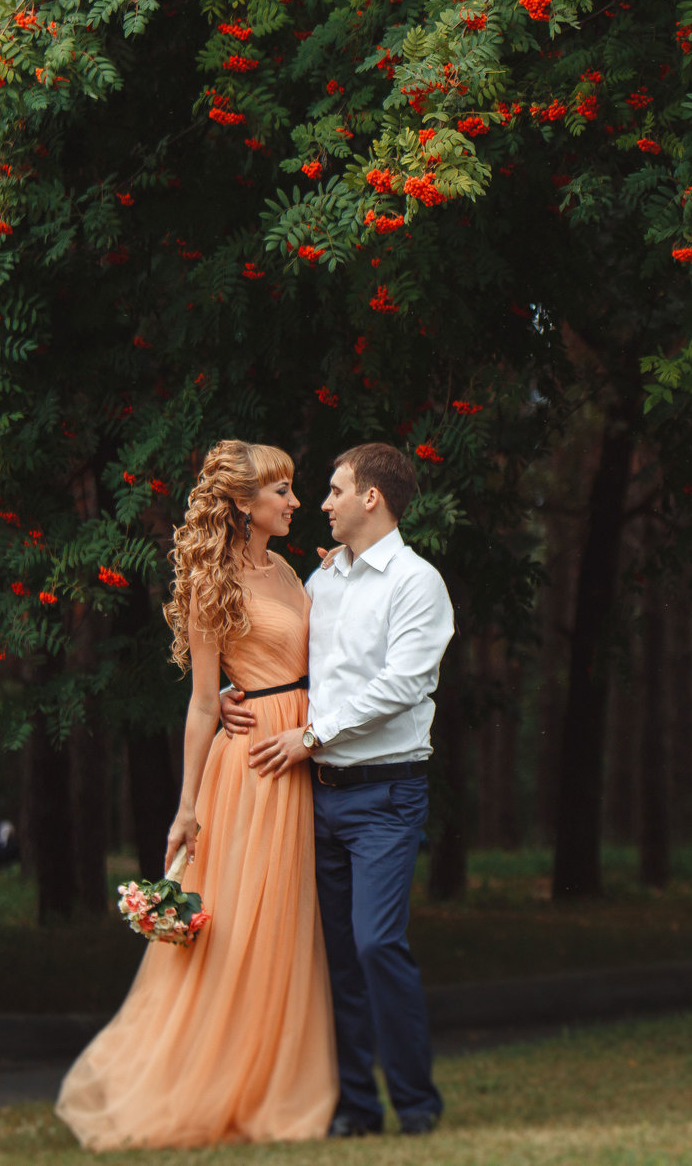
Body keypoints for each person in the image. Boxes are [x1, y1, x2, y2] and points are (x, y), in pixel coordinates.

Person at [54, 441, 336, 1150]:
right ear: (243, 503)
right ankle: (217, 1083)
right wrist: (187, 807)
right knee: (244, 929)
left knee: (286, 923)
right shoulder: (213, 583)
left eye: (293, 489)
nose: (295, 502)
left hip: (298, 750)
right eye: (281, 491)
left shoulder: (290, 570)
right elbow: (205, 703)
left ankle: (274, 1080)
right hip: (251, 766)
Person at [223, 441, 453, 1138]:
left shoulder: (417, 583)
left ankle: (416, 1104)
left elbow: (402, 684)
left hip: (386, 795)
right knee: (336, 959)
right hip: (316, 795)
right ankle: (356, 1107)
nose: (321, 504)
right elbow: (287, 661)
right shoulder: (321, 581)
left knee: (377, 944)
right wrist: (234, 693)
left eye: (334, 490)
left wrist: (313, 735)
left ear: (371, 498)